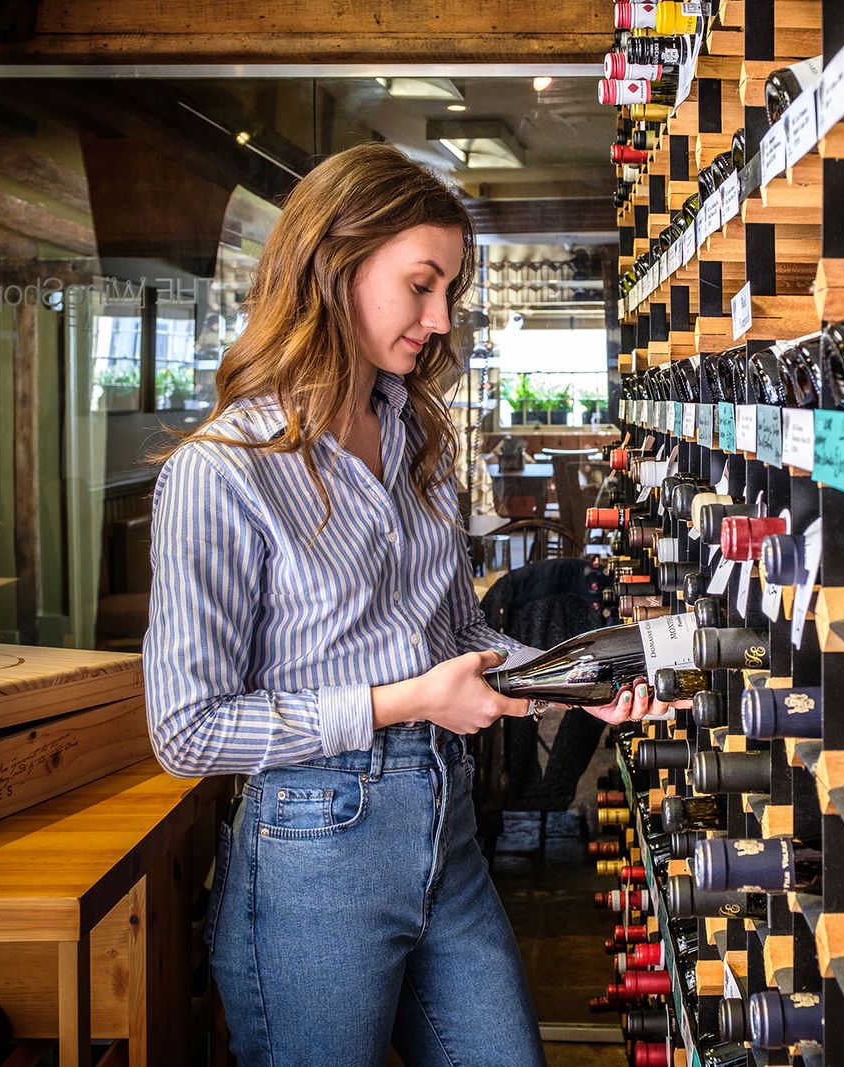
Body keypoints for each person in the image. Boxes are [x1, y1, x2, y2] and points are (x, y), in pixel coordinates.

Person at [143, 142, 651, 1067]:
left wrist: (570, 682)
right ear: (334, 268)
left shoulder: (416, 438)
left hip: (445, 830)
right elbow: (187, 730)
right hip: (312, 848)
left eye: (449, 289)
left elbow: (458, 635)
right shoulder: (221, 472)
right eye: (421, 285)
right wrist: (407, 701)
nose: (440, 317)